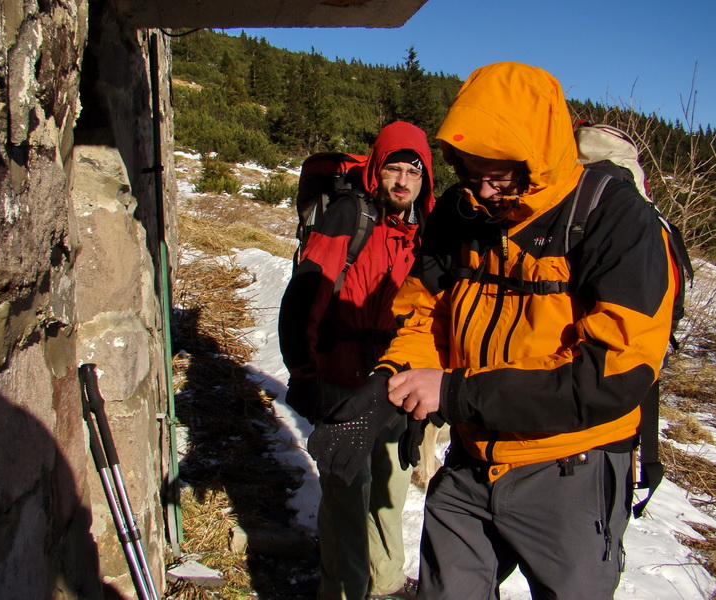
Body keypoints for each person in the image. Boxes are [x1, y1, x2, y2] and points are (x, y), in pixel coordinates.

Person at [309, 63, 678, 600]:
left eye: (501, 174)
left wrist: (456, 392)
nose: (483, 189)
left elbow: (613, 374)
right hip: (472, 459)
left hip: (571, 468)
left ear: (542, 150)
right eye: (469, 168)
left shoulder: (615, 220)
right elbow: (425, 314)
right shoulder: (462, 214)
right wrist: (388, 383)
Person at [278, 120, 434, 600]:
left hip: (396, 385)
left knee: (391, 491)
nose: (403, 181)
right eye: (393, 169)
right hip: (342, 380)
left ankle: (385, 585)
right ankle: (344, 590)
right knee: (348, 491)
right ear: (375, 169)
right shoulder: (350, 215)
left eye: (414, 171)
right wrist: (305, 374)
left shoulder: (423, 231)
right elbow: (305, 296)